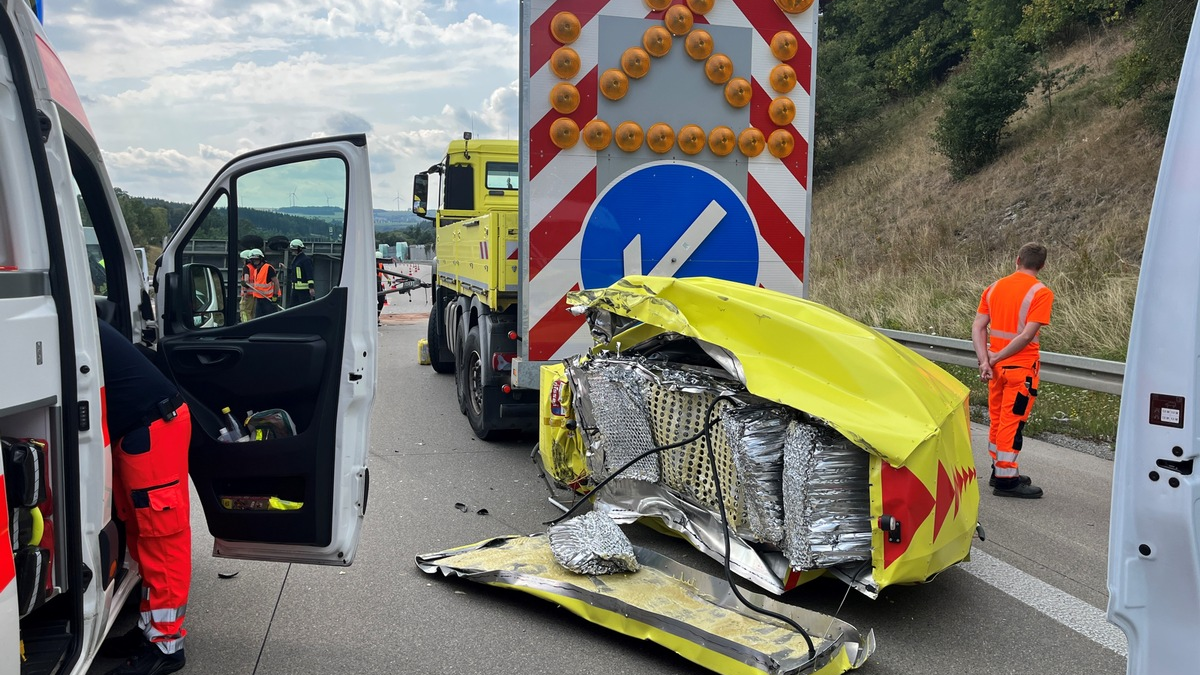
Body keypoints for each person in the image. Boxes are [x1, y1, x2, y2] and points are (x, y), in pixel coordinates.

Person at [95, 321, 190, 675]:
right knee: (142, 538)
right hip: (141, 427)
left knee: (162, 540)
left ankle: (166, 647)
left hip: (151, 426)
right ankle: (150, 632)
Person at [972, 243, 1054, 499]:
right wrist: (995, 357)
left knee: (997, 420)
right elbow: (1027, 335)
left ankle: (1000, 470)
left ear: (1016, 259)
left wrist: (986, 360)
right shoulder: (1041, 293)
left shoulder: (993, 288)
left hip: (996, 370)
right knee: (1012, 423)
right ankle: (1007, 479)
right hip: (1021, 370)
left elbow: (978, 327)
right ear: (1041, 266)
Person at [246, 248, 280, 317]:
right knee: (258, 319)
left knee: (270, 319)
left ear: (261, 259)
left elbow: (276, 282)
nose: (254, 261)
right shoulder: (256, 270)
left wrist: (275, 296)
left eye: (256, 259)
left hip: (269, 300)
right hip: (259, 299)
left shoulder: (268, 268)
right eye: (253, 260)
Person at [287, 238, 316, 306]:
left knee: (304, 308)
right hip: (295, 289)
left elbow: (309, 274)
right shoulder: (296, 259)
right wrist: (286, 269)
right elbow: (295, 272)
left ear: (299, 249)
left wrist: (311, 288)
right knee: (292, 308)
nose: (292, 251)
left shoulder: (305, 260)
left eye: (294, 249)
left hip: (303, 290)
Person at [238, 249, 257, 323]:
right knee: (252, 312)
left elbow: (246, 281)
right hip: (254, 294)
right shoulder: (255, 268)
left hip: (247, 294)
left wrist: (245, 292)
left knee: (244, 311)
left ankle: (245, 325)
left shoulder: (246, 268)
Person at [376, 251, 386, 323]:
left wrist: (388, 278)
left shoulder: (380, 264)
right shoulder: (370, 264)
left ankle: (377, 316)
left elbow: (384, 272)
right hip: (374, 284)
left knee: (381, 300)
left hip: (378, 284)